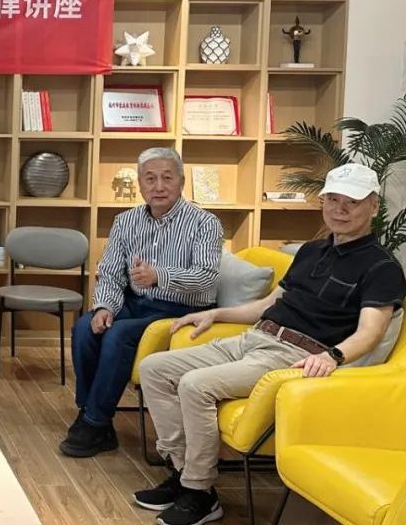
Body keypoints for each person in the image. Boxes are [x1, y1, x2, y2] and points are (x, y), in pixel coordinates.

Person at [135, 163, 406, 525]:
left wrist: (333, 356)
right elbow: (268, 305)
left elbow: (370, 332)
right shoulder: (311, 251)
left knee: (195, 385)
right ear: (323, 201)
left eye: (352, 202)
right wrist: (216, 314)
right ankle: (184, 473)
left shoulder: (381, 267)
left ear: (373, 206)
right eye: (333, 200)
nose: (340, 210)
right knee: (154, 368)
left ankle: (199, 493)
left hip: (296, 353)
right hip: (257, 337)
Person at [60, 147, 222, 459]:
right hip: (135, 303)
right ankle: (91, 415)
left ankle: (93, 423)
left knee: (118, 335)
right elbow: (110, 272)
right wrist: (105, 306)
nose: (158, 186)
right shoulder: (125, 221)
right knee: (85, 327)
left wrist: (160, 276)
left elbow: (206, 277)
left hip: (181, 309)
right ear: (140, 183)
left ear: (181, 181)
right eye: (150, 178)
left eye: (167, 178)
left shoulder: (205, 223)